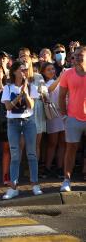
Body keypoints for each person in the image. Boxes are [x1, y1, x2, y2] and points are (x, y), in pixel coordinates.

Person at [1, 61, 43, 200]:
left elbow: (31, 105)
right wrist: (19, 96)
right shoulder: (7, 87)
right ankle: (13, 187)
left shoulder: (31, 87)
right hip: (13, 122)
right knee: (15, 154)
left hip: (28, 121)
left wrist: (25, 93)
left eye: (25, 69)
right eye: (21, 69)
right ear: (14, 72)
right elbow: (8, 107)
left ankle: (35, 184)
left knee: (31, 153)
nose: (24, 71)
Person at [59, 46, 86, 192]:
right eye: (75, 55)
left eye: (81, 55)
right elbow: (61, 97)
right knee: (71, 149)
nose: (78, 58)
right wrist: (64, 116)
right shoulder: (67, 74)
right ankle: (66, 180)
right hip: (73, 118)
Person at [40, 62, 65, 179]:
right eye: (48, 70)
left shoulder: (61, 81)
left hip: (63, 114)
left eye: (52, 69)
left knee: (62, 143)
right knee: (52, 143)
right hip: (52, 115)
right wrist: (60, 77)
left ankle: (60, 168)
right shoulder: (43, 83)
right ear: (44, 72)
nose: (51, 71)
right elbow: (49, 90)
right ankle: (47, 167)